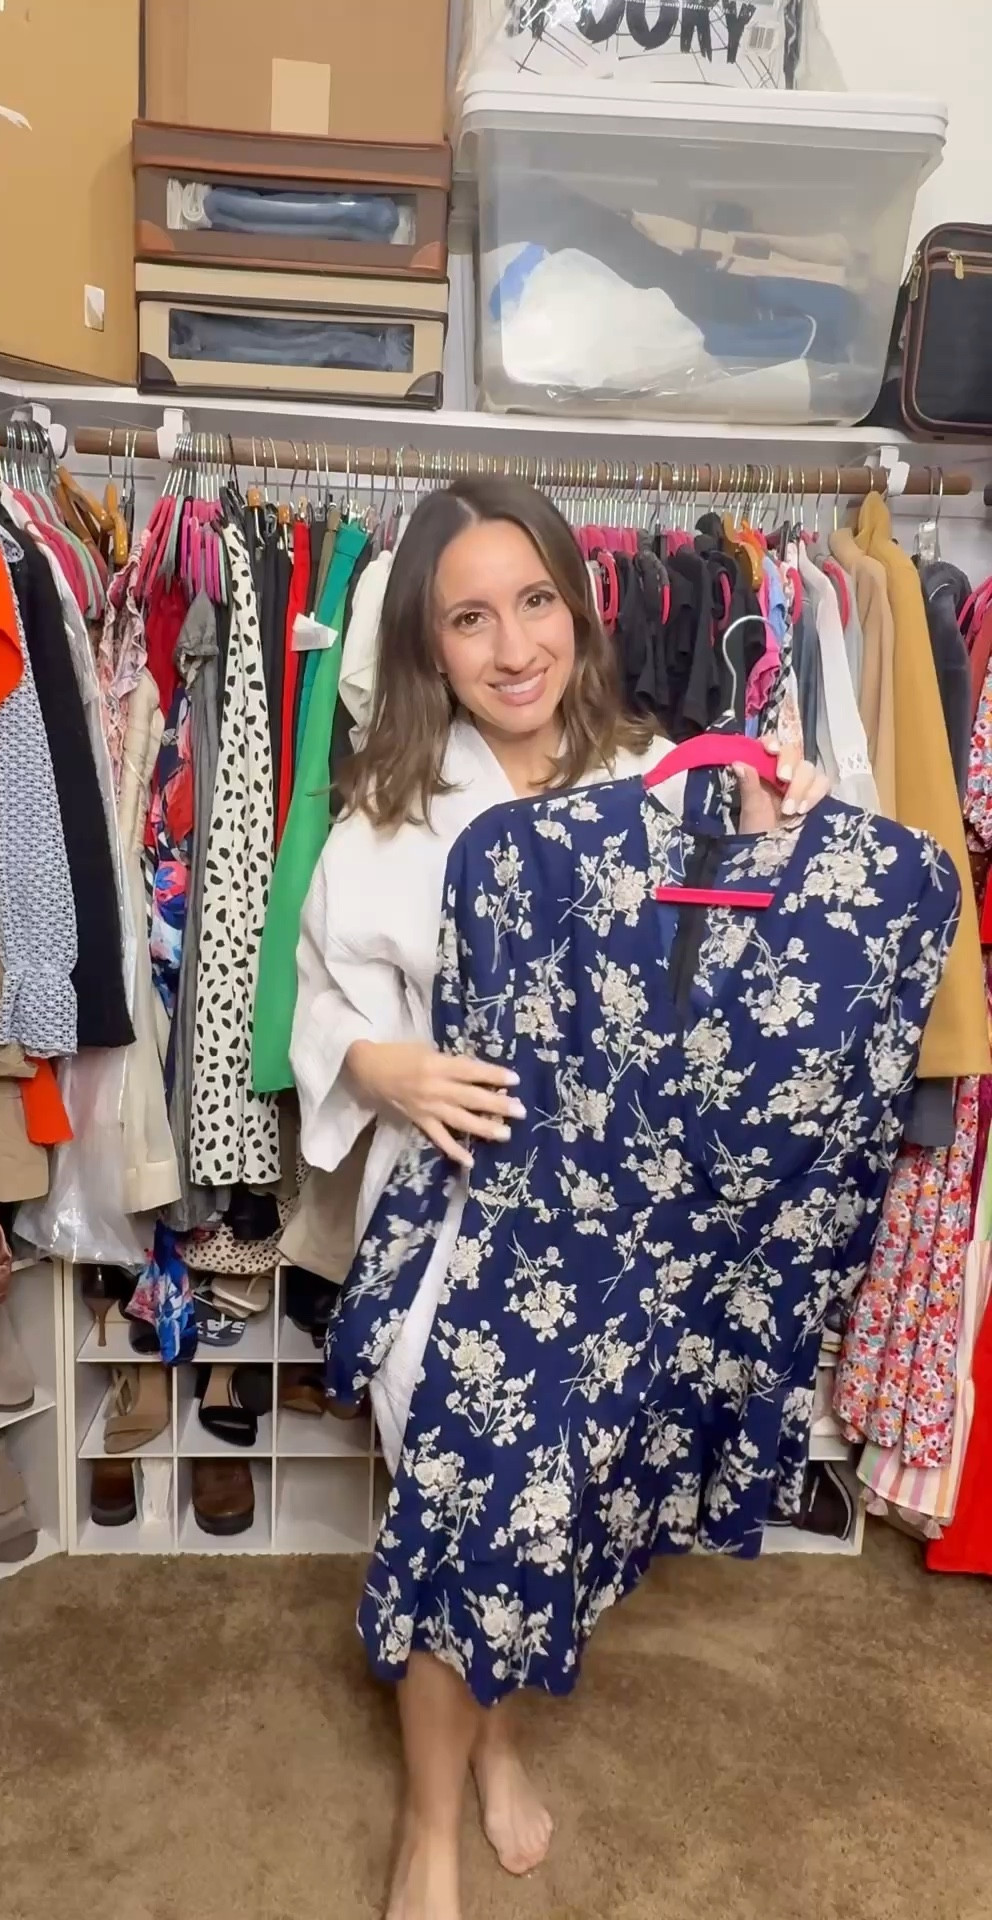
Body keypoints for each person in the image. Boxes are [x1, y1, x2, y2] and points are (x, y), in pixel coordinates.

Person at [290, 478, 828, 1920]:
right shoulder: (388, 821)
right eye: (470, 617)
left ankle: (500, 1745)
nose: (512, 645)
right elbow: (320, 1000)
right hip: (454, 1237)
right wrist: (385, 1067)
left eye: (534, 602)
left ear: (580, 614)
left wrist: (783, 840)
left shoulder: (664, 783)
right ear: (429, 646)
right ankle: (428, 1826)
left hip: (612, 1246)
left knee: (559, 1520)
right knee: (459, 1513)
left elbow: (740, 998)